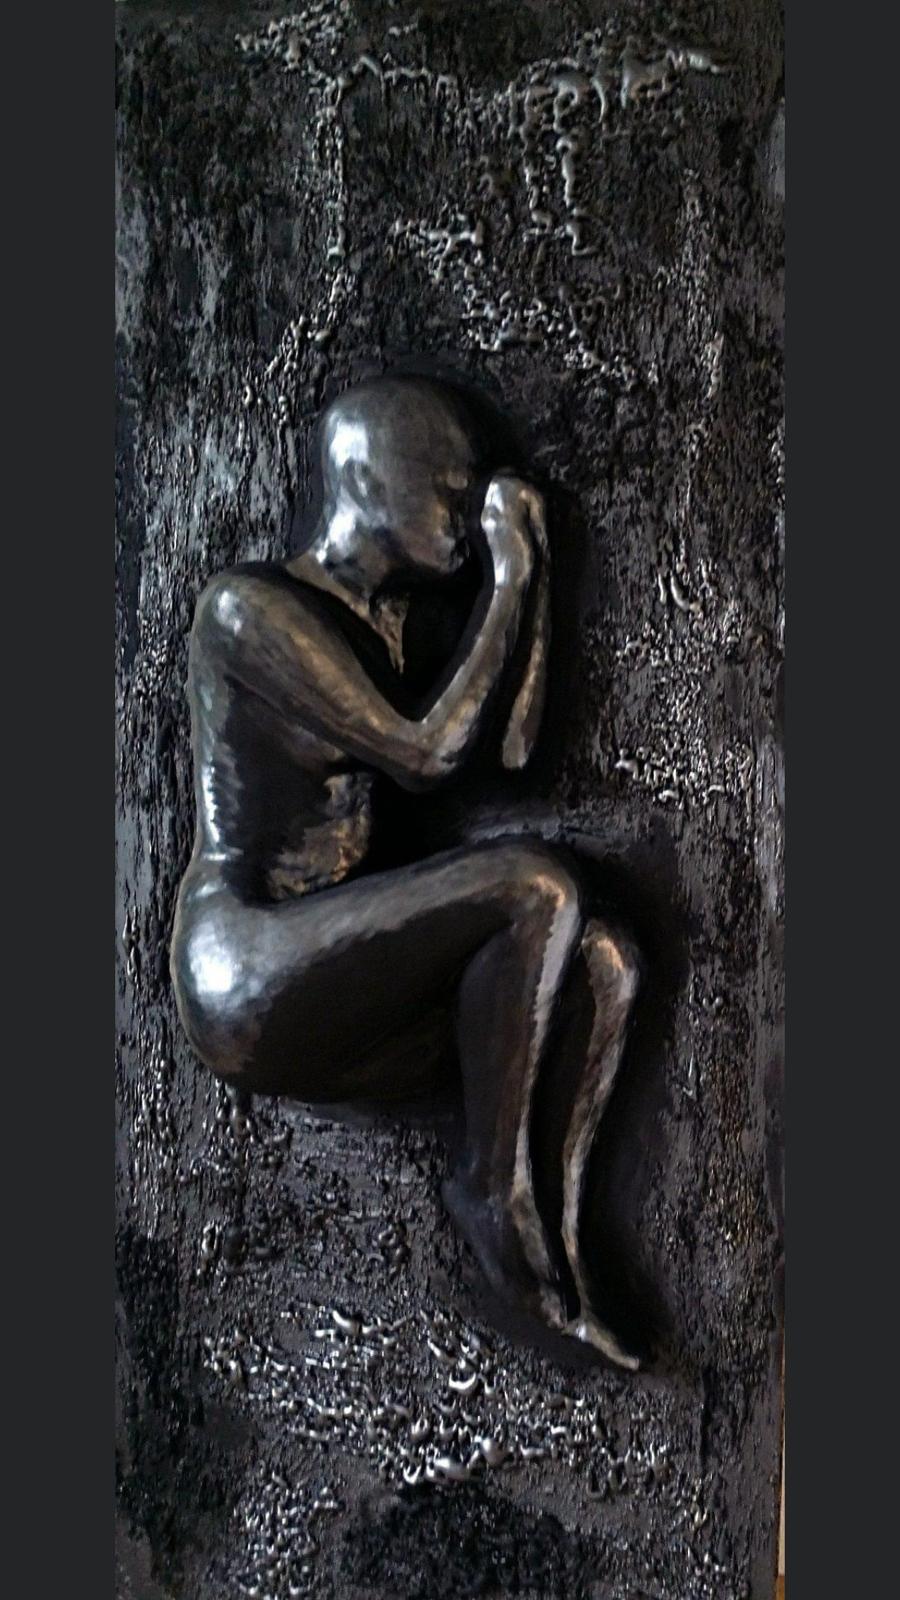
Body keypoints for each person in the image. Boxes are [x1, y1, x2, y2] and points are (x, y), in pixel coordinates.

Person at [170, 374, 641, 1367]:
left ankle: (547, 1264)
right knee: (535, 887)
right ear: (371, 484)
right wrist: (506, 583)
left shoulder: (392, 622)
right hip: (248, 962)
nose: (473, 510)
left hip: (343, 967)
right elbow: (424, 754)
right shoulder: (248, 610)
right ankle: (490, 1190)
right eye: (452, 488)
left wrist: (531, 576)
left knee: (598, 964)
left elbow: (511, 752)